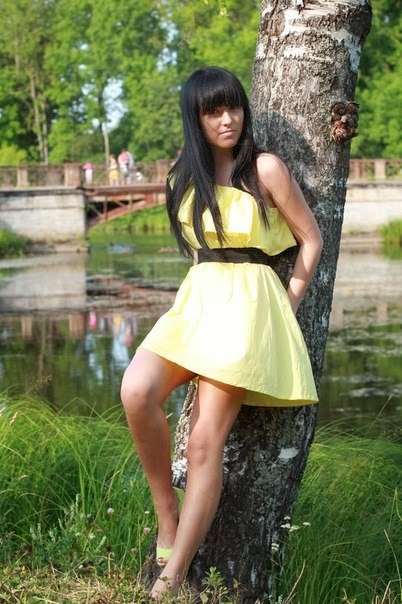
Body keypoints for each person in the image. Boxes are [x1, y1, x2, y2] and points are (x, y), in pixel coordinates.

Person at [120, 66, 323, 599]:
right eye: (214, 111)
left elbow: (311, 239)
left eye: (233, 107)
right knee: (135, 390)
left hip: (249, 308)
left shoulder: (265, 168)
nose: (227, 119)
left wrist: (286, 306)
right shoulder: (183, 176)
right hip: (198, 300)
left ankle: (173, 575)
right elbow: (197, 253)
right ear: (196, 119)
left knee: (205, 443)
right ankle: (166, 515)